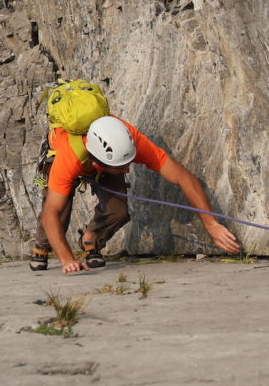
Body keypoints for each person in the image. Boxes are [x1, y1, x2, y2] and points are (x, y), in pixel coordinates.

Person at [31, 115, 241, 273]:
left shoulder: (133, 143)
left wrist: (211, 224)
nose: (128, 170)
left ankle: (92, 237)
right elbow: (51, 212)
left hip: (104, 161)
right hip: (63, 156)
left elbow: (185, 178)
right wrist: (67, 258)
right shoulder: (70, 158)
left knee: (118, 211)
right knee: (60, 210)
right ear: (97, 163)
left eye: (129, 164)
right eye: (122, 168)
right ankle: (42, 245)